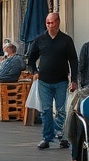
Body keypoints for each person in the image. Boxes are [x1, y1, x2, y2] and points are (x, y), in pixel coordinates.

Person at [26, 12, 78, 150]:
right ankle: (47, 137)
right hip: (44, 81)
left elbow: (73, 60)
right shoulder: (40, 40)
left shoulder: (66, 40)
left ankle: (61, 136)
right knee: (46, 110)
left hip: (61, 80)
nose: (50, 25)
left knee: (61, 111)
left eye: (52, 22)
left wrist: (74, 79)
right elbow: (30, 59)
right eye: (48, 23)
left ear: (58, 22)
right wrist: (35, 72)